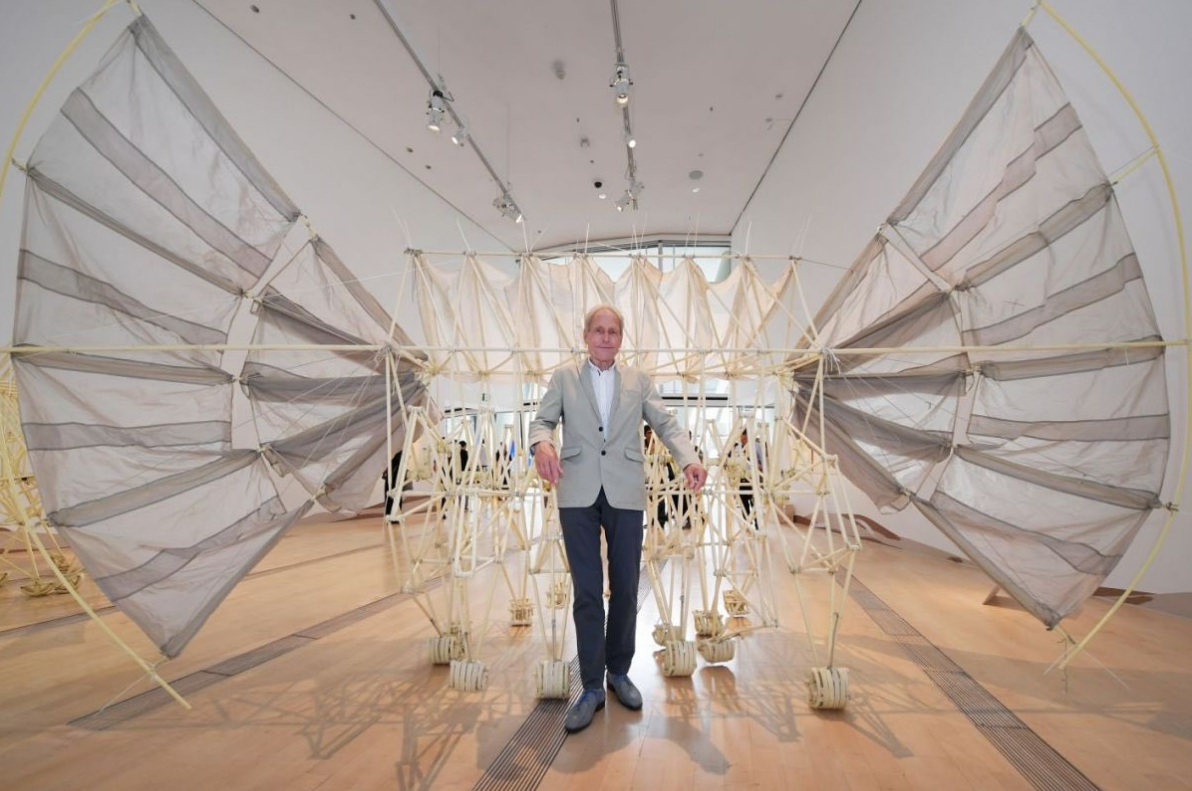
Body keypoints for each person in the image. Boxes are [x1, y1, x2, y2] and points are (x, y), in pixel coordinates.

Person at [530, 305, 708, 733]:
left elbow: (666, 424)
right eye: (599, 330)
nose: (606, 337)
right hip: (577, 491)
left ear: (621, 338)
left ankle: (619, 672)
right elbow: (542, 422)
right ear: (586, 335)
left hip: (625, 491)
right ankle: (591, 685)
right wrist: (542, 445)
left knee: (627, 586)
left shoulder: (639, 381)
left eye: (613, 331)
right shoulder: (564, 378)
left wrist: (689, 459)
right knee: (587, 590)